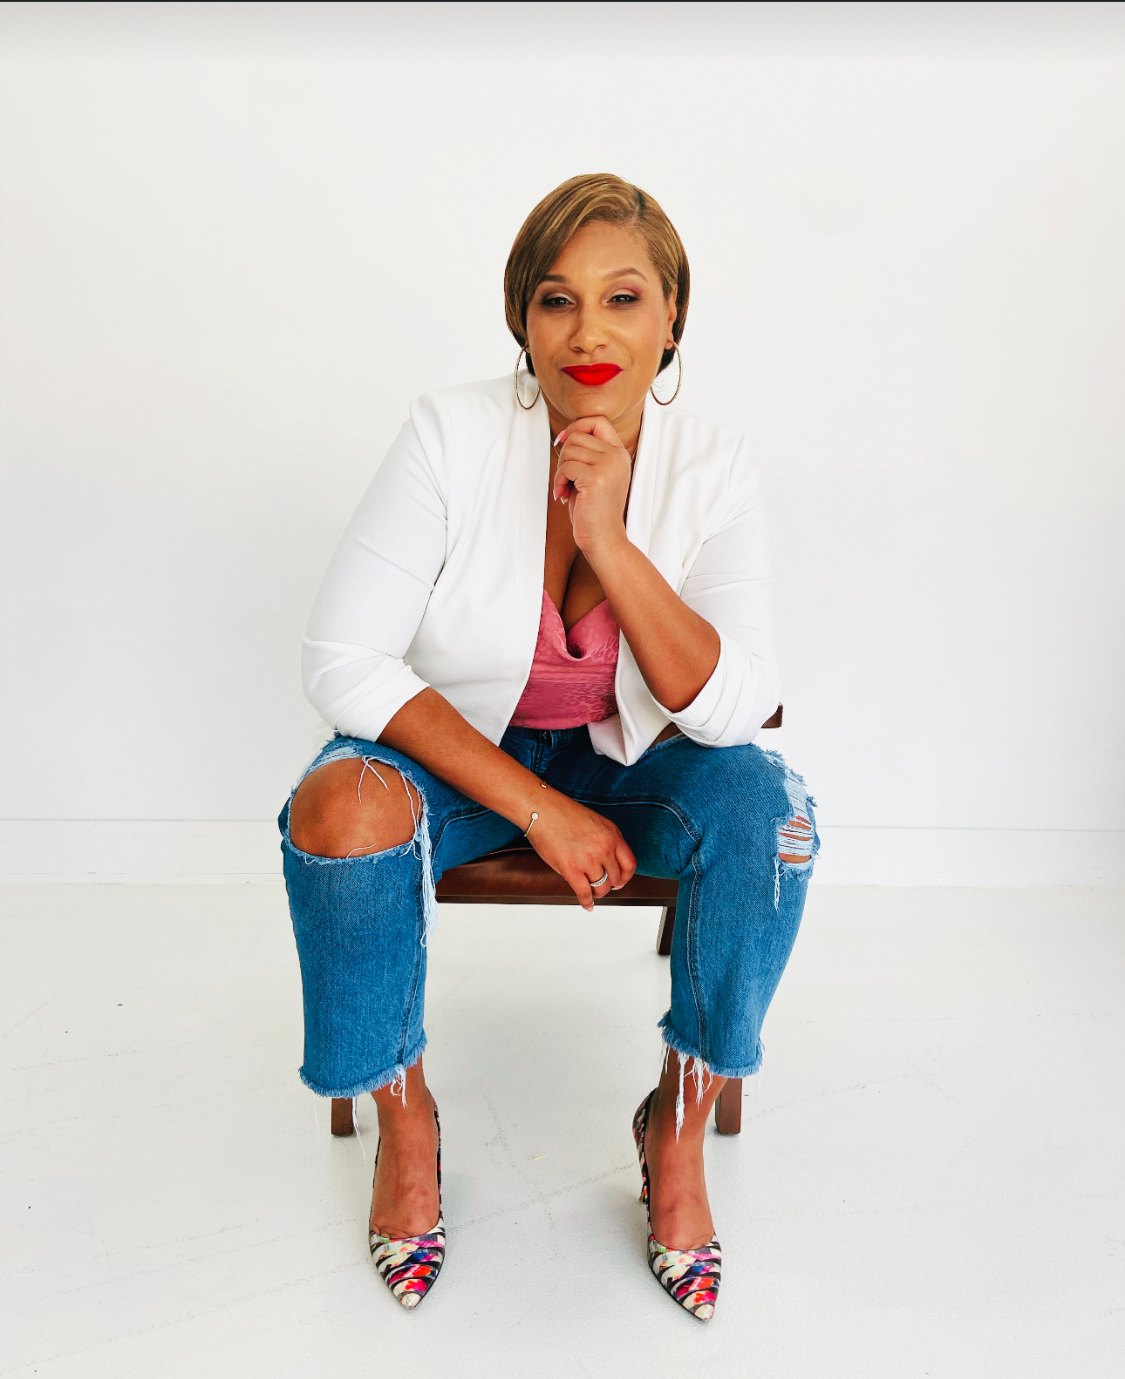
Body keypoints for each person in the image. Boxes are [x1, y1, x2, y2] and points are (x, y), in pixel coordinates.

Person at [280, 173, 817, 1320]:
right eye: (556, 300)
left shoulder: (714, 463)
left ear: (673, 315)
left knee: (767, 808)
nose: (587, 332)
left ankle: (677, 1120)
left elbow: (733, 705)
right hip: (471, 758)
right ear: (521, 318)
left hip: (637, 764)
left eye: (624, 297)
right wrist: (539, 805)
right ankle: (404, 1119)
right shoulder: (449, 433)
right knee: (340, 810)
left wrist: (608, 538)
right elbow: (345, 660)